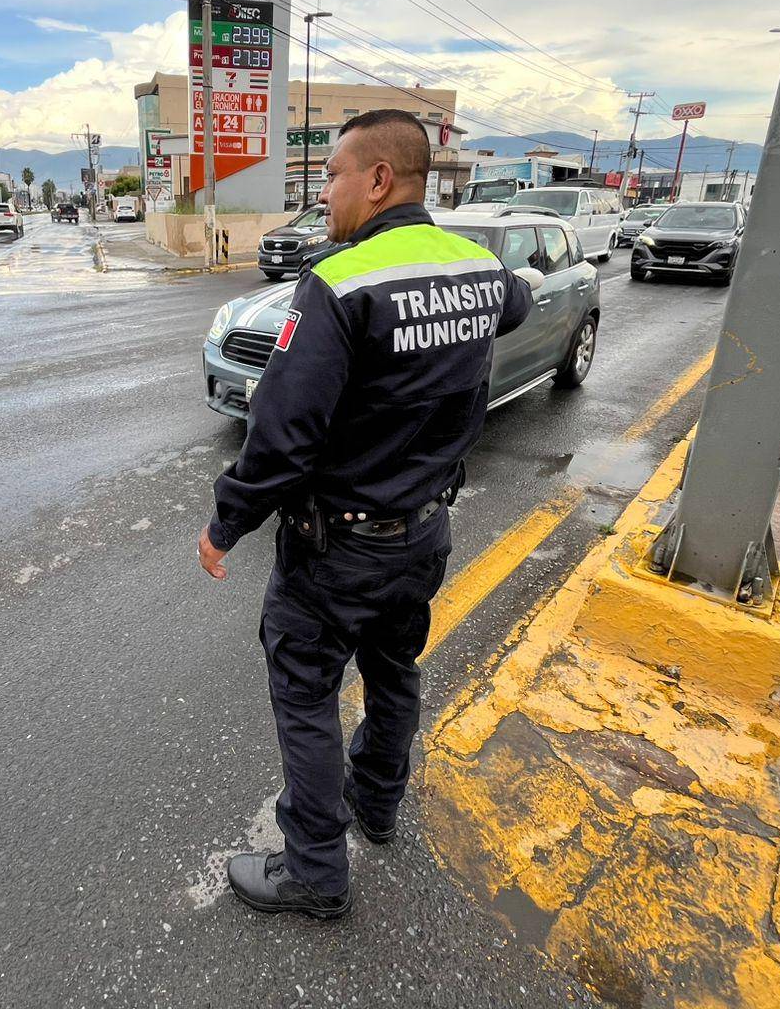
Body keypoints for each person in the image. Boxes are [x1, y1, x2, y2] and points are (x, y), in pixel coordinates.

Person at [196, 108, 542, 918]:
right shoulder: (478, 267)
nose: (326, 193)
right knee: (393, 672)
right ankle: (378, 805)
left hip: (337, 549)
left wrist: (225, 524)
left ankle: (316, 869)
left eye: (333, 176)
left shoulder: (340, 283)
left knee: (306, 692)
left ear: (379, 179)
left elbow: (281, 438)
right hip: (424, 533)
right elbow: (517, 306)